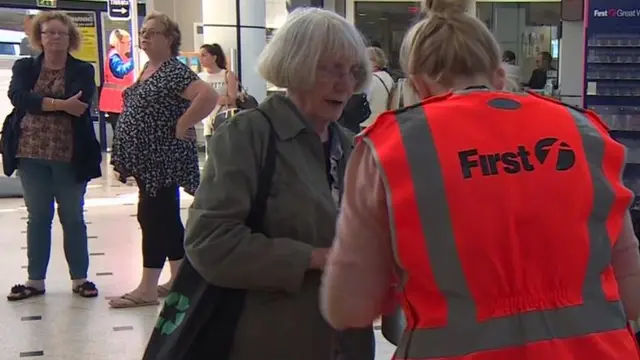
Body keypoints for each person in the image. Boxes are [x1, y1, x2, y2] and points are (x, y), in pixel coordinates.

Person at [321, 0, 640, 358]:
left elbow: (348, 307)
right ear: (499, 76)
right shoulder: (582, 132)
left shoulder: (389, 149)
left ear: (418, 86)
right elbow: (632, 290)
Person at [184, 7, 374, 360]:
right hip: (271, 336)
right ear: (296, 64)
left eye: (352, 72)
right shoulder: (248, 136)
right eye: (331, 69)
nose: (346, 84)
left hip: (347, 340)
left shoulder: (351, 146)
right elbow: (209, 242)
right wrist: (316, 258)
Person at [108, 11, 217, 308]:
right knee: (165, 218)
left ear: (169, 39)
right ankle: (180, 278)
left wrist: (183, 124)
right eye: (143, 31)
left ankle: (146, 288)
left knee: (153, 217)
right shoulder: (148, 68)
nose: (144, 36)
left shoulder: (173, 70)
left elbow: (207, 96)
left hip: (163, 160)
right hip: (149, 160)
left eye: (152, 32)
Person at [6, 11, 102, 301]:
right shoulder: (25, 67)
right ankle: (35, 280)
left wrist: (42, 103)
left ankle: (80, 279)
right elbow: (18, 97)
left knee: (72, 216)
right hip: (30, 153)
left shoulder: (83, 69)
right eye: (49, 32)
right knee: (38, 218)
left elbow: (81, 103)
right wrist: (59, 104)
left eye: (60, 33)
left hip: (70, 156)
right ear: (40, 36)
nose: (55, 38)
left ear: (70, 37)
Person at [198, 43, 238, 146]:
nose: (200, 59)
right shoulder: (199, 77)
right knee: (211, 153)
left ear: (214, 57)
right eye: (199, 56)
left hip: (225, 119)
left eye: (204, 55)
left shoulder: (227, 74)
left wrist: (210, 98)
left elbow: (231, 98)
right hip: (208, 121)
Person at [98, 29, 135, 135]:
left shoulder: (122, 56)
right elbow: (119, 71)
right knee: (121, 135)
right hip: (115, 103)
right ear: (118, 42)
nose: (129, 45)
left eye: (130, 42)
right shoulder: (114, 56)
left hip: (120, 103)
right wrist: (135, 60)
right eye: (127, 42)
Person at [360, 47, 394, 129]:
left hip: (369, 124)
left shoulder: (370, 80)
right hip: (385, 122)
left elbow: (361, 102)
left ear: (373, 62)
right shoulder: (388, 77)